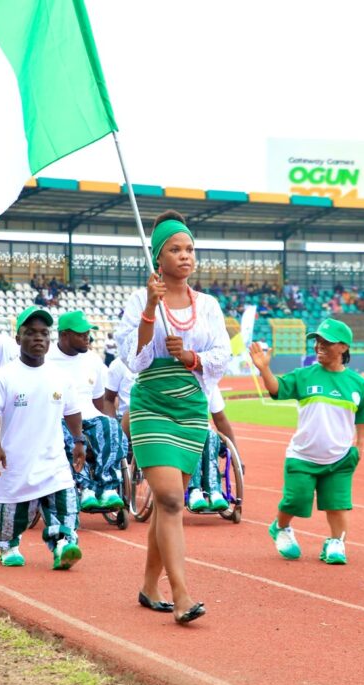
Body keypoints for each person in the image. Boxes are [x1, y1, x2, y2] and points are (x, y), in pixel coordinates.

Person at [114, 209, 230, 624]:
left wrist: (192, 357)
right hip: (152, 405)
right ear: (158, 258)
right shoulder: (139, 300)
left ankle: (149, 586)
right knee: (170, 500)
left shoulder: (209, 305)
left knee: (168, 505)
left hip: (191, 408)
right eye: (175, 249)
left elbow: (222, 355)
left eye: (189, 249)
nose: (185, 256)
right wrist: (150, 308)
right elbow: (134, 358)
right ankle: (181, 595)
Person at [251, 320, 364, 564]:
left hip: (339, 458)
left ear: (343, 347)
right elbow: (277, 389)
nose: (319, 346)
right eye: (317, 341)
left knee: (337, 505)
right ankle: (281, 527)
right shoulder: (304, 375)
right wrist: (264, 369)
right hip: (302, 456)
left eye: (326, 342)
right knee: (295, 500)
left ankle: (336, 542)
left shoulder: (358, 384)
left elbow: (363, 416)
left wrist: (359, 447)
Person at [0, 306, 86, 569]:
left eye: (44, 333)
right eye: (30, 333)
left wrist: (79, 440)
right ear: (18, 338)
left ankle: (63, 545)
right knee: (8, 513)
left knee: (64, 504)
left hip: (53, 460)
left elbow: (72, 411)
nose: (38, 338)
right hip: (14, 460)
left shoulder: (60, 377)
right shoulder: (3, 376)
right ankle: (8, 546)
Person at [48, 310, 126, 511]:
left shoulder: (93, 360)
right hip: (59, 418)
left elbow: (98, 402)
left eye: (88, 333)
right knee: (64, 435)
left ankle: (107, 487)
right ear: (64, 335)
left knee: (111, 425)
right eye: (81, 334)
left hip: (89, 416)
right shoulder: (47, 359)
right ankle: (85, 487)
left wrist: (99, 432)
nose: (87, 338)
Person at [186, 387, 240, 513]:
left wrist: (236, 455)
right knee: (195, 438)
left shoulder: (210, 384)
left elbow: (220, 418)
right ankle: (194, 491)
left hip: (203, 431)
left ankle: (214, 491)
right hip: (180, 432)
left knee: (212, 436)